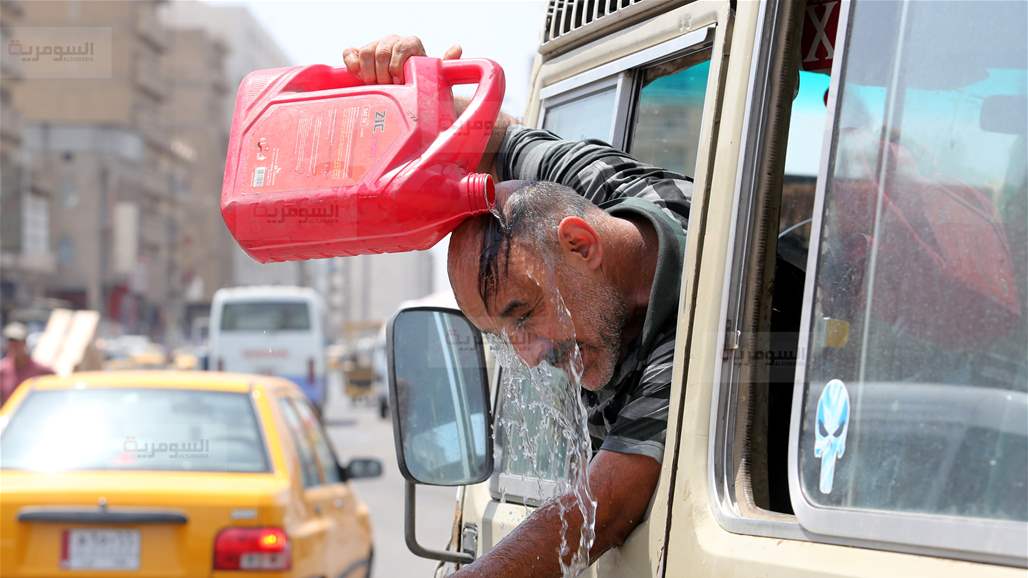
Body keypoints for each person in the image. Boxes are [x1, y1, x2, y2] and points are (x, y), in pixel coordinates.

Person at [345, 36, 691, 577]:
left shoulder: (696, 333)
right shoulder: (584, 188)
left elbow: (601, 509)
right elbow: (496, 133)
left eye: (523, 314)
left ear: (581, 244)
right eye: (503, 336)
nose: (528, 356)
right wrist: (403, 85)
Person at [0, 322, 53, 406]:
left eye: (17, 342)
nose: (14, 346)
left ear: (24, 343)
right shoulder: (2, 371)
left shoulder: (42, 371)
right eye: (10, 342)